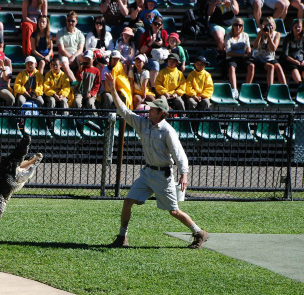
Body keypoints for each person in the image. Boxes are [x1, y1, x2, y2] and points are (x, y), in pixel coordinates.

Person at [104, 72, 209, 250]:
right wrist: (113, 89)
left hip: (163, 175)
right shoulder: (143, 123)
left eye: (152, 109)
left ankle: (199, 232)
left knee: (173, 211)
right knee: (128, 201)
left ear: (161, 113)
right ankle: (122, 237)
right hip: (147, 173)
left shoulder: (167, 131)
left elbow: (179, 154)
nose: (148, 110)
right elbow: (123, 110)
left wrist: (184, 174)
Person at [224, 17, 254, 99]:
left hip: (242, 58)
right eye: (236, 25)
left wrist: (248, 52)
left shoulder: (245, 35)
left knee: (251, 66)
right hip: (231, 58)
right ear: (233, 26)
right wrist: (242, 55)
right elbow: (228, 52)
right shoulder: (228, 37)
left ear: (242, 27)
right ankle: (234, 90)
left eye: (240, 25)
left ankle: (246, 88)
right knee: (231, 67)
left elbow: (248, 47)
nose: (238, 27)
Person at [252, 16, 287, 88]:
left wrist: (269, 37)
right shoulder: (260, 33)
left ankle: (285, 88)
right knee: (271, 67)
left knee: (278, 67)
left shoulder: (277, 34)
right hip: (259, 57)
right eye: (267, 25)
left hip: (270, 57)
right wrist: (260, 34)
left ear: (274, 25)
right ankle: (270, 89)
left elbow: (273, 48)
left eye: (270, 25)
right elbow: (255, 46)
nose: (269, 27)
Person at [138, 16, 167, 89]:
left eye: (159, 24)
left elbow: (169, 47)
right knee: (155, 64)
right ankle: (153, 87)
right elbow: (141, 51)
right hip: (148, 57)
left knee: (168, 63)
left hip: (161, 57)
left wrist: (162, 44)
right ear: (151, 24)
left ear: (161, 25)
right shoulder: (146, 34)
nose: (157, 26)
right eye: (155, 23)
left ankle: (165, 87)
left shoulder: (163, 33)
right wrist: (150, 43)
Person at [57, 10, 85, 82]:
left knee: (84, 61)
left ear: (76, 22)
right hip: (64, 55)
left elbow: (80, 49)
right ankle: (74, 82)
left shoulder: (80, 34)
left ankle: (83, 83)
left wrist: (73, 57)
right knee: (65, 64)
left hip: (76, 55)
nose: (70, 23)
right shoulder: (60, 33)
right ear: (66, 21)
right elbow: (61, 50)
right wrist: (70, 57)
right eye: (68, 20)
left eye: (72, 21)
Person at [282, 19, 304, 86]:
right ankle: (300, 83)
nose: (297, 28)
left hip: (301, 59)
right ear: (293, 28)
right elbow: (285, 55)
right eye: (296, 27)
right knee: (294, 67)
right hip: (290, 60)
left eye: (299, 27)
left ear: (302, 28)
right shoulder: (288, 38)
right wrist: (294, 61)